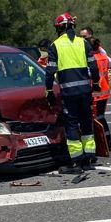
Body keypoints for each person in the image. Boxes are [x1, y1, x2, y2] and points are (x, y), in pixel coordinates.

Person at [44, 13, 98, 172]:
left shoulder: (55, 46)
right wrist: (95, 83)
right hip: (85, 92)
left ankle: (76, 162)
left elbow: (50, 71)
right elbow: (93, 67)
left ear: (58, 28)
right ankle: (88, 159)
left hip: (69, 93)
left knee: (72, 125)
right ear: (72, 26)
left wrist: (48, 91)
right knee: (87, 122)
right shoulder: (83, 43)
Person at [88, 36, 111, 150]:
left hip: (95, 93)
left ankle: (101, 144)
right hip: (104, 92)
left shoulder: (90, 59)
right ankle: (108, 142)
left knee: (94, 119)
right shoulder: (104, 57)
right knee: (101, 117)